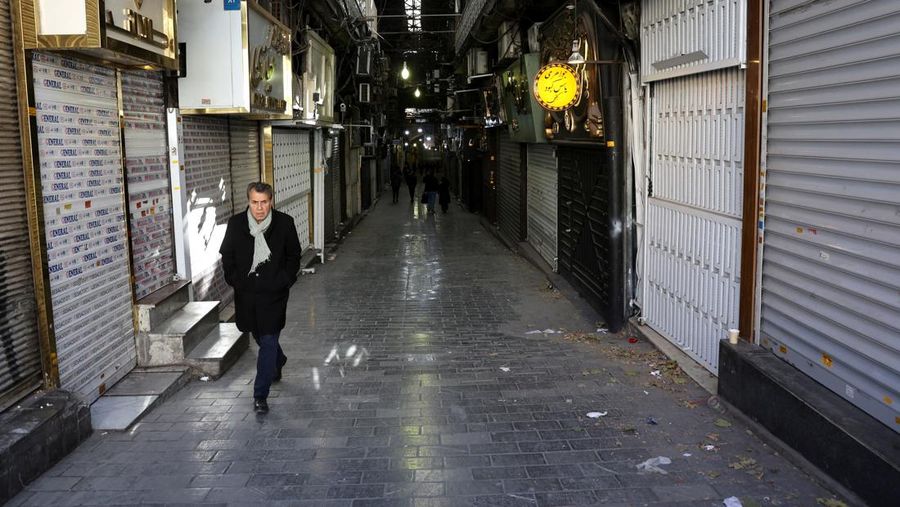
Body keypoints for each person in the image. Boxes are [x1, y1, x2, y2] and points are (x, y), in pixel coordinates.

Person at [220, 182, 301, 415]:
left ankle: (260, 395)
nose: (259, 208)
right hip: (247, 295)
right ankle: (279, 359)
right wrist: (236, 280)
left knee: (267, 340)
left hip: (274, 295)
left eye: (264, 202)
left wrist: (284, 280)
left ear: (271, 201)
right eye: (255, 202)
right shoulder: (236, 224)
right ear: (248, 201)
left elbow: (293, 256)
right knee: (257, 333)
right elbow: (227, 256)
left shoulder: (284, 223)